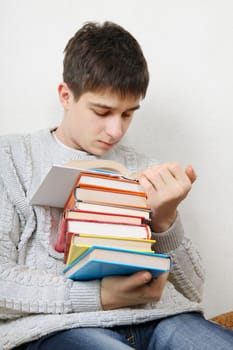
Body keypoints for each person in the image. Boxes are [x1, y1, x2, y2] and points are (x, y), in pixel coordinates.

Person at [0, 21, 232, 350]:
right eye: (103, 111)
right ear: (66, 95)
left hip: (161, 318)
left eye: (127, 114)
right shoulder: (10, 158)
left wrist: (164, 222)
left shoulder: (145, 168)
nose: (114, 130)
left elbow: (193, 292)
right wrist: (97, 296)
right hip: (61, 328)